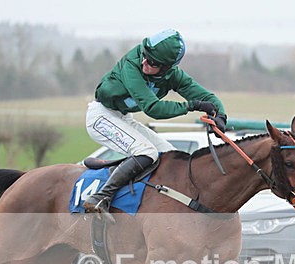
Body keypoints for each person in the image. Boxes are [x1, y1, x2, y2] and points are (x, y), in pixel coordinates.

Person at [83, 29, 227, 214]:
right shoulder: (131, 66)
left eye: (152, 62)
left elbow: (206, 96)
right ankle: (100, 197)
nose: (144, 62)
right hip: (100, 117)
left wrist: (220, 115)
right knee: (147, 152)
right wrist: (192, 106)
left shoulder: (173, 75)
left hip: (122, 117)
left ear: (167, 67)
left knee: (171, 155)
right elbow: (153, 109)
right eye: (144, 55)